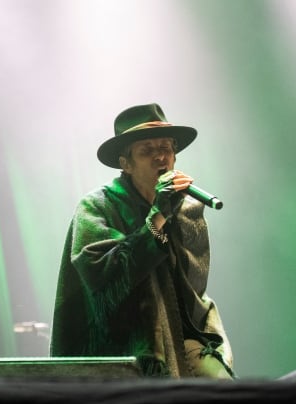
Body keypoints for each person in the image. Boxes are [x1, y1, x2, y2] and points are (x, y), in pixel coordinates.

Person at [49, 103, 235, 379]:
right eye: (147, 150)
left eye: (166, 148)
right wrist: (157, 217)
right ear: (125, 164)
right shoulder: (97, 206)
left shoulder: (187, 209)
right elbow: (104, 276)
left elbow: (193, 285)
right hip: (127, 345)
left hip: (185, 337)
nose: (161, 157)